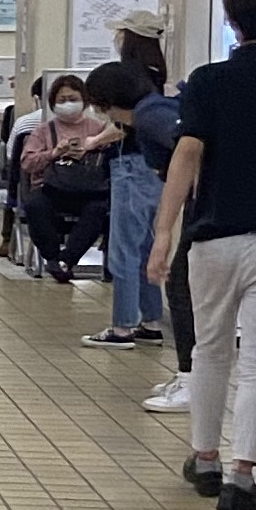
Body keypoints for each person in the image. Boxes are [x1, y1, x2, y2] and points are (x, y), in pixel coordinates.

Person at [148, 0, 256, 510]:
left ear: (230, 20)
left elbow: (186, 156)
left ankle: (205, 459)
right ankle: (243, 479)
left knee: (211, 349)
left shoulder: (208, 82)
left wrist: (163, 233)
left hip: (211, 237)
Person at [85, 59, 190, 410]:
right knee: (152, 258)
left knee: (130, 252)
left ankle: (124, 326)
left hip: (146, 181)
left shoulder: (149, 117)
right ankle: (152, 328)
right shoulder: (154, 107)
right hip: (177, 193)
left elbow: (186, 146)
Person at [83, 12, 170, 349]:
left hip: (130, 168)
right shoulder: (155, 75)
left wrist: (90, 143)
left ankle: (122, 327)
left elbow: (122, 126)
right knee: (147, 245)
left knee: (123, 248)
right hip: (153, 170)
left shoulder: (126, 77)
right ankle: (150, 321)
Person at [17, 75, 109, 283]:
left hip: (89, 190)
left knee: (98, 210)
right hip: (52, 187)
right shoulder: (43, 131)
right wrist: (53, 153)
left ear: (84, 100)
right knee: (36, 205)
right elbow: (27, 163)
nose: (68, 103)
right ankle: (51, 256)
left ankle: (67, 259)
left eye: (73, 98)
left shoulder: (99, 130)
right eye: (62, 100)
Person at [0, 76, 46, 259]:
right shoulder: (91, 126)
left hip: (29, 188)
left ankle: (6, 239)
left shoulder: (24, 122)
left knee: (15, 180)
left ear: (36, 98)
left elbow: (11, 156)